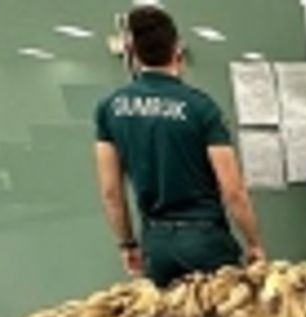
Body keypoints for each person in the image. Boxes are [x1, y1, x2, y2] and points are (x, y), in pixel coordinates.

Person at [94, 6, 264, 286]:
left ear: (133, 53)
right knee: (221, 314)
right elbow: (233, 191)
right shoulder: (201, 107)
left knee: (166, 315)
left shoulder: (110, 108)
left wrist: (127, 244)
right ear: (177, 49)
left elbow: (111, 192)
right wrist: (254, 244)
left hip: (156, 243)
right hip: (205, 240)